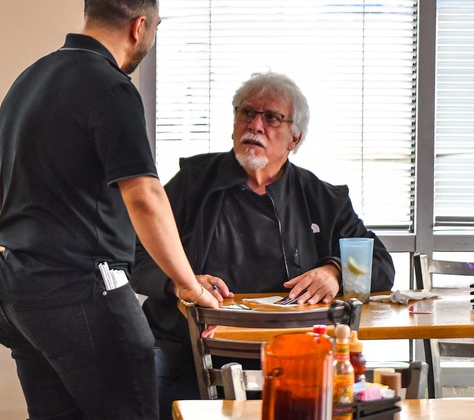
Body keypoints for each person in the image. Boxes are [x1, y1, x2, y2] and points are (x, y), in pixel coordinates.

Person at [0, 1, 220, 419]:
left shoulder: (28, 81)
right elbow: (144, 195)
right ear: (139, 26)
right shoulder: (109, 87)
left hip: (19, 294)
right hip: (80, 296)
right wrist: (190, 286)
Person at [130, 71, 395, 418]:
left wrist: (335, 270)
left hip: (292, 357)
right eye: (246, 113)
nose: (255, 125)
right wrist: (182, 282)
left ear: (294, 138)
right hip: (189, 349)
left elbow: (381, 264)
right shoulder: (192, 183)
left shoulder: (322, 198)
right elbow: (135, 256)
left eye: (271, 117)